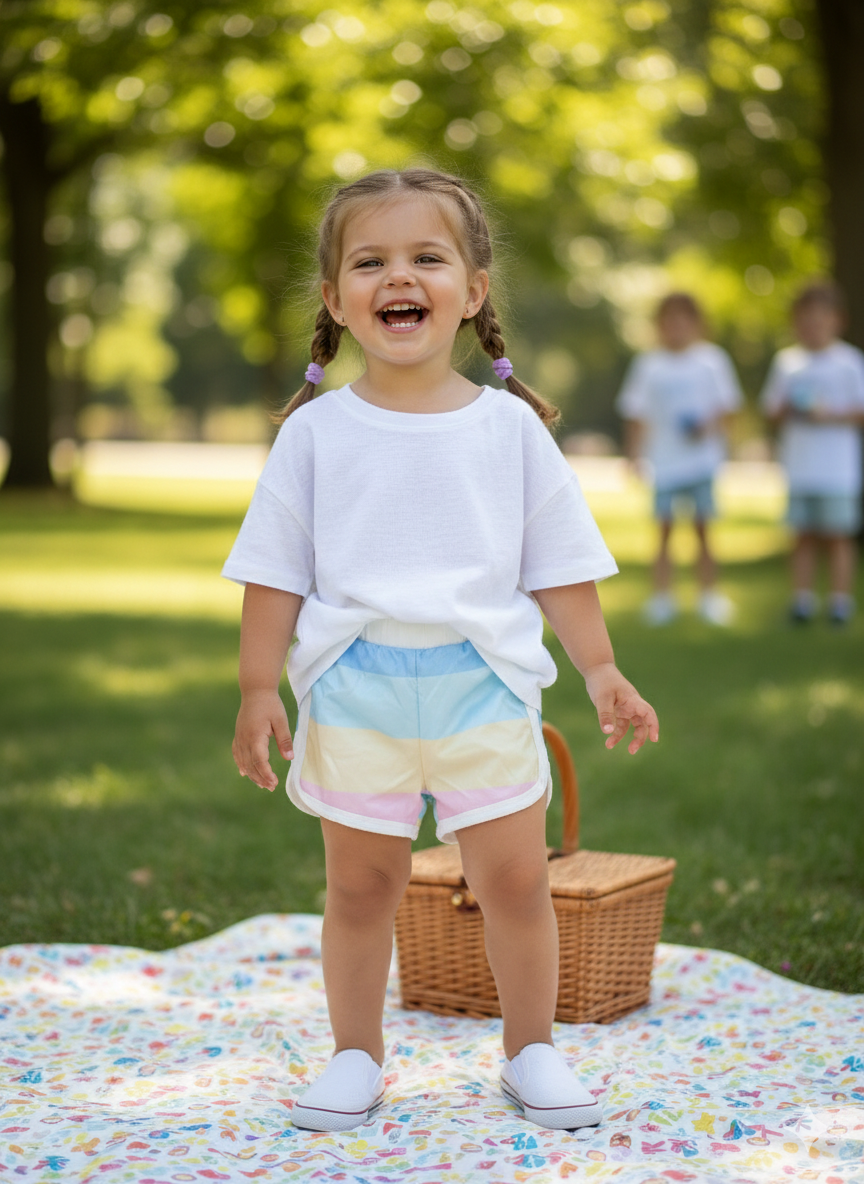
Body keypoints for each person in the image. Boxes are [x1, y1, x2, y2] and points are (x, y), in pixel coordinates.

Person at [223, 169, 659, 1133]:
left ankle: (531, 1048)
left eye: (427, 258)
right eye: (369, 262)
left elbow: (559, 565)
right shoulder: (313, 436)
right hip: (356, 692)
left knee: (512, 879)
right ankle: (353, 1056)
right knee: (360, 885)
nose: (398, 278)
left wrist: (600, 668)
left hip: (483, 687)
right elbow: (272, 573)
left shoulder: (509, 431)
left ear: (474, 289)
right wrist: (260, 686)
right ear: (336, 300)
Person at [616, 293, 743, 625]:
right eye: (668, 320)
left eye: (683, 319)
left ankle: (709, 596)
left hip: (703, 462)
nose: (676, 327)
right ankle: (661, 598)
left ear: (697, 323)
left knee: (703, 528)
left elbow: (729, 408)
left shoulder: (712, 361)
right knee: (664, 530)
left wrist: (708, 427)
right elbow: (636, 413)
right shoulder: (648, 364)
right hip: (664, 463)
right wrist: (634, 456)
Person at [760, 281, 864, 626]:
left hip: (837, 470)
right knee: (802, 535)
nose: (812, 328)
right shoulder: (788, 362)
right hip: (800, 466)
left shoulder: (850, 362)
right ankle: (801, 602)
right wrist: (790, 407)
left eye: (819, 321)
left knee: (837, 536)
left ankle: (839, 604)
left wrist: (830, 414)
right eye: (805, 321)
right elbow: (771, 410)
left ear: (837, 321)